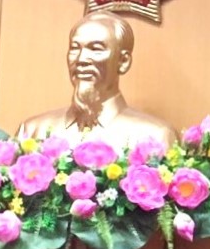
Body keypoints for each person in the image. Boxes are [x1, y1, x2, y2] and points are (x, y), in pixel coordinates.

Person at [17, 11, 177, 148]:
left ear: (123, 62)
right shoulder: (32, 132)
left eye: (96, 49)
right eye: (75, 48)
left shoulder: (155, 137)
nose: (81, 59)